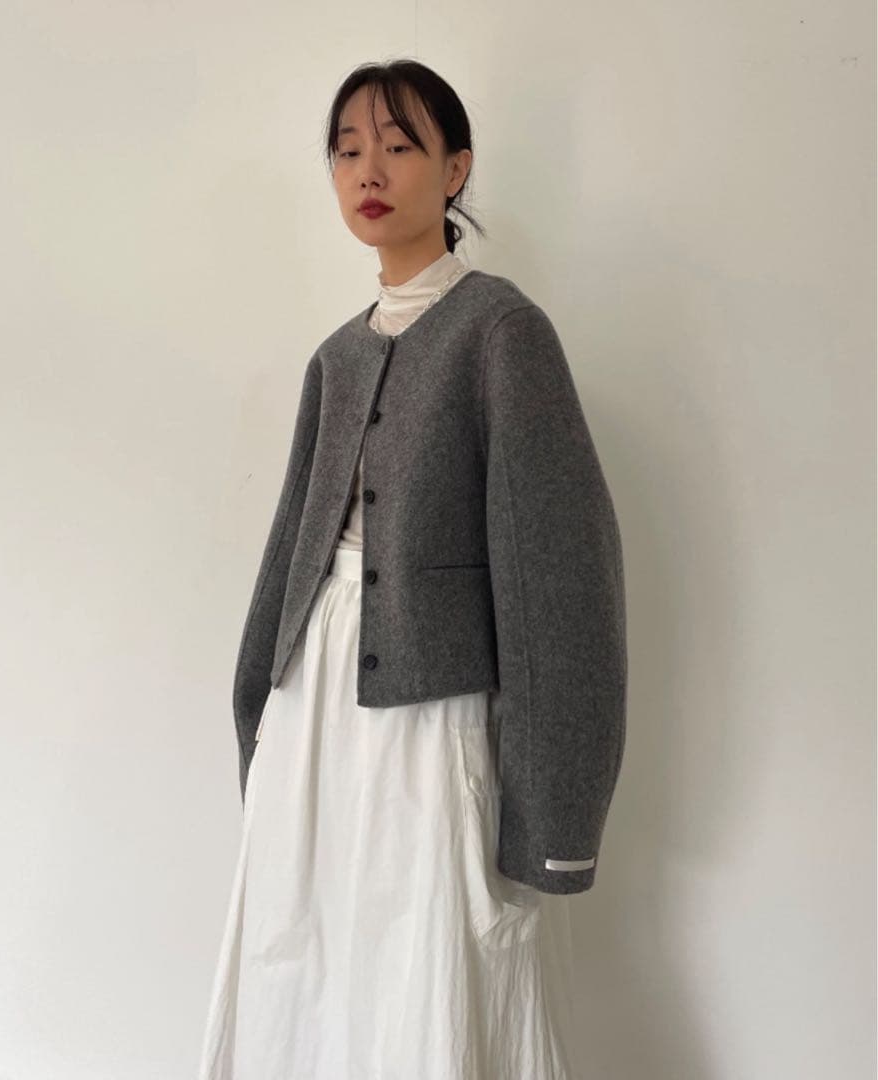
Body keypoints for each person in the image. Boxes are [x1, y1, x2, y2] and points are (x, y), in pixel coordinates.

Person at [197, 59, 626, 1080]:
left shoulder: (501, 333)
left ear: (455, 169)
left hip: (431, 719)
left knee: (426, 957)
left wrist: (556, 812)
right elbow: (291, 550)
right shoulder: (335, 357)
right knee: (302, 950)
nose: (369, 171)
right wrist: (256, 712)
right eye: (348, 150)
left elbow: (560, 578)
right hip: (314, 707)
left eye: (398, 145)